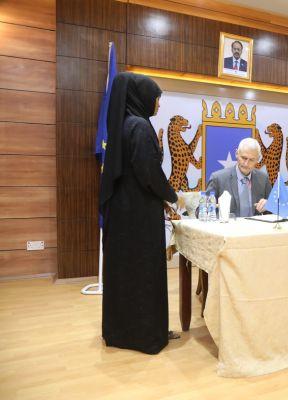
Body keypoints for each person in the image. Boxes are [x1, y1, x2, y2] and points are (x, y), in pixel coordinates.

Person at [100, 72, 179, 355]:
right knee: (145, 274)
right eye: (157, 98)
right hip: (140, 218)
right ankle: (147, 335)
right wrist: (171, 196)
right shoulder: (140, 126)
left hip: (123, 215)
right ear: (143, 98)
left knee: (125, 273)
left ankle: (122, 332)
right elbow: (149, 173)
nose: (158, 104)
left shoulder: (123, 124)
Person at [200, 137, 271, 218]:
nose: (246, 163)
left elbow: (277, 210)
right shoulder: (218, 178)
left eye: (251, 160)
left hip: (256, 225)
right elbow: (201, 210)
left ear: (258, 159)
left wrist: (268, 205)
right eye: (244, 158)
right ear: (237, 153)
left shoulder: (263, 179)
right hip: (227, 225)